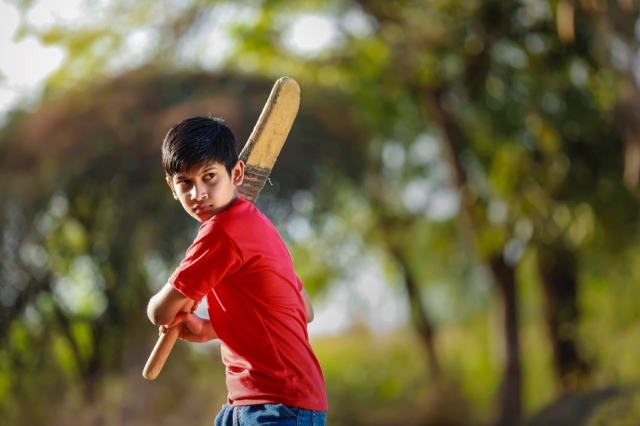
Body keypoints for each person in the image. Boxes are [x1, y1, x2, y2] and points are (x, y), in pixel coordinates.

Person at [147, 116, 328, 426]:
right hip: (254, 400)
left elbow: (160, 313)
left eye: (209, 176)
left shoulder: (221, 233)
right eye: (186, 182)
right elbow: (304, 310)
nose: (198, 193)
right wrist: (209, 329)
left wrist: (173, 290)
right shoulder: (259, 226)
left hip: (278, 405)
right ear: (172, 187)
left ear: (237, 173)